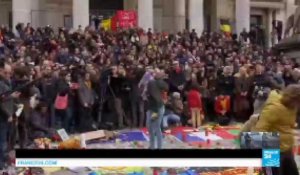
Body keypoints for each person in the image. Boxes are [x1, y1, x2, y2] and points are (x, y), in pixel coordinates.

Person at [252, 85, 300, 175]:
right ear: (293, 98)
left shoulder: (292, 107)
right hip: (272, 149)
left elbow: (287, 123)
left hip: (286, 147)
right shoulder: (273, 108)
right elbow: (259, 130)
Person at [0, 61, 20, 170]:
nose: (8, 75)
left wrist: (12, 97)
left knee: (4, 139)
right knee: (2, 140)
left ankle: (3, 159)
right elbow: (1, 100)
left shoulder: (6, 82)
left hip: (6, 114)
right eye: (6, 72)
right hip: (2, 116)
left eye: (9, 73)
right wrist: (8, 114)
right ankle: (1, 163)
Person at [146, 68, 169, 149]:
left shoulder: (158, 82)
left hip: (157, 108)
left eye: (156, 72)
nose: (154, 73)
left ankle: (159, 147)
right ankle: (152, 145)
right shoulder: (150, 81)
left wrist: (159, 78)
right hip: (151, 107)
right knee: (149, 126)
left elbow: (166, 87)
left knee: (155, 126)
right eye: (154, 72)